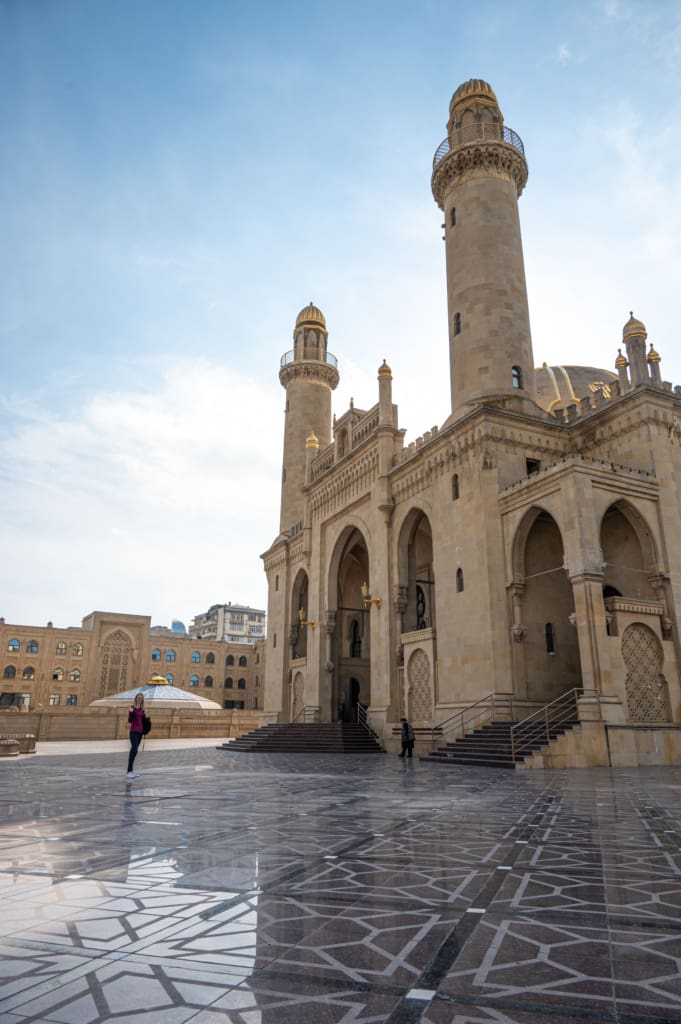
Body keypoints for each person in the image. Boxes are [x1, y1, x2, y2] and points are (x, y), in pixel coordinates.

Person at [127, 692, 145, 779]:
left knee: (134, 751)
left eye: (141, 698)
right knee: (134, 750)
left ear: (142, 699)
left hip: (140, 732)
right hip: (133, 731)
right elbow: (130, 720)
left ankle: (131, 771)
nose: (139, 699)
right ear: (135, 698)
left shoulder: (142, 709)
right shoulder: (132, 707)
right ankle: (129, 771)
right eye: (138, 697)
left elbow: (143, 720)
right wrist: (130, 712)